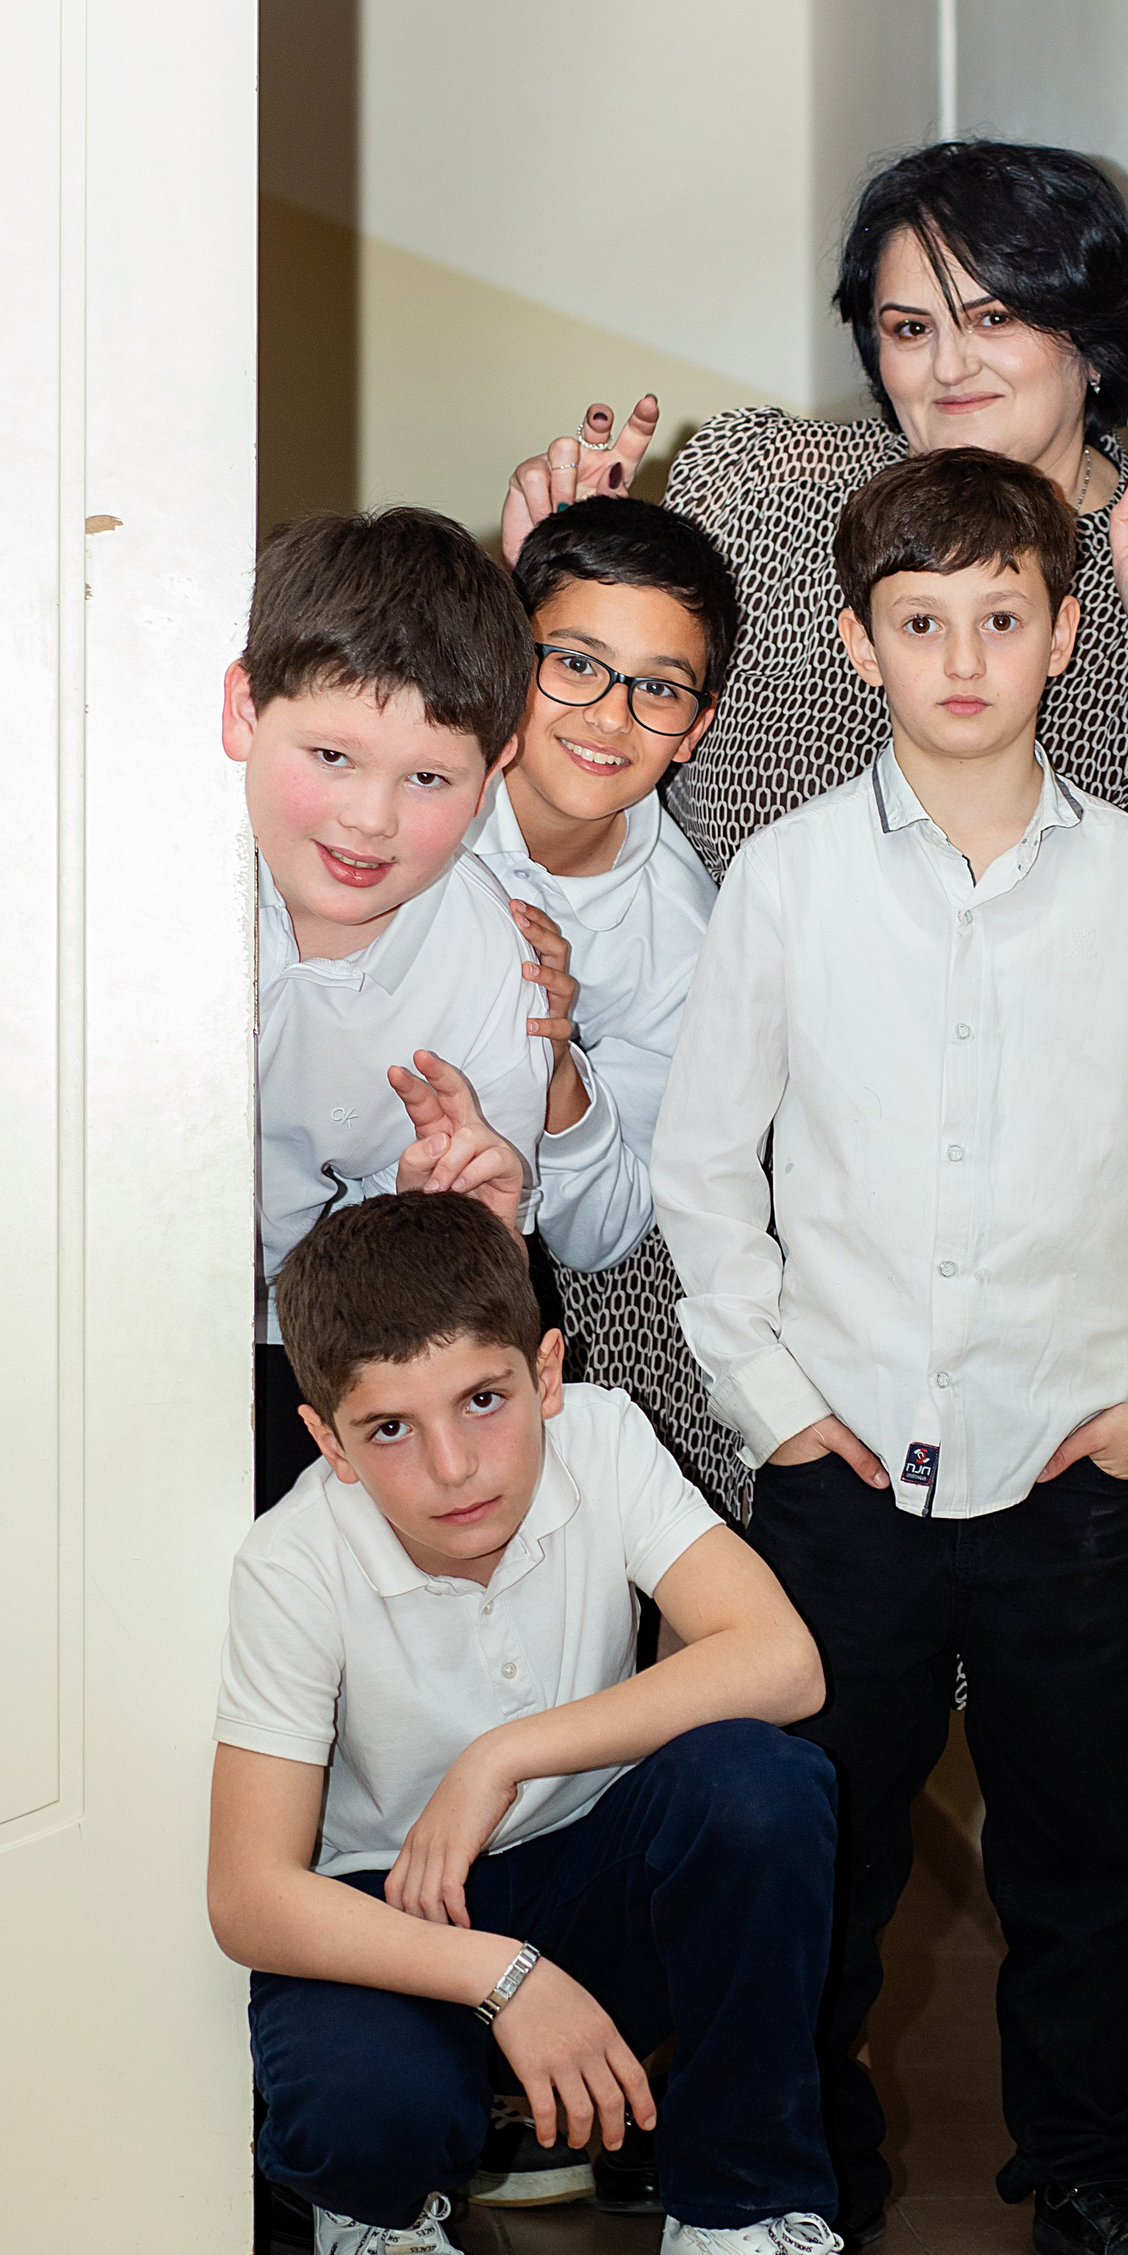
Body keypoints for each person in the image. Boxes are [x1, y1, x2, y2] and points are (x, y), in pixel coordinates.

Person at [650, 448, 1128, 2255]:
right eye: (923, 623)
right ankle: (797, 2167)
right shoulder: (785, 879)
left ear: (1067, 633)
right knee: (824, 1845)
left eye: (1004, 618)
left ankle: (1084, 2166)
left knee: (1088, 1849)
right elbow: (705, 1171)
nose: (966, 657)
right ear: (859, 645)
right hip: (842, 1475)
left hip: (1078, 1472)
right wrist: (775, 1410)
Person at [207, 1189, 932, 2255]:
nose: (453, 1467)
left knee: (760, 1781)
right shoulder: (293, 1561)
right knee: (360, 2110)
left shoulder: (600, 1436)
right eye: (388, 1429)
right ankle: (380, 2205)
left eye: (483, 1401)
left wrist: (503, 1754)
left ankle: (737, 2227)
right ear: (328, 1441)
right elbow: (249, 1895)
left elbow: (781, 1662)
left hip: (593, 1881)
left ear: (546, 1372)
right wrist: (505, 1976)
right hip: (395, 1920)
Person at [502, 137, 1128, 987]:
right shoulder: (760, 484)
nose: (950, 366)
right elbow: (591, 766)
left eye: (995, 318)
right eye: (911, 328)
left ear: (1090, 337)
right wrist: (548, 595)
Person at [227, 504, 642, 1510]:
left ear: (494, 772)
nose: (369, 819)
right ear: (242, 711)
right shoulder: (123, 865)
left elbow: (442, 1302)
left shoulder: (497, 973)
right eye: (332, 757)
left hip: (305, 1348)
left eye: (427, 778)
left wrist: (422, 1217)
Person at [471, 497, 747, 1522]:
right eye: (577, 664)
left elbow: (601, 1230)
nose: (609, 716)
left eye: (658, 688)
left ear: (695, 730)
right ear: (513, 659)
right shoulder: (414, 784)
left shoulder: (687, 941)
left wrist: (557, 1061)